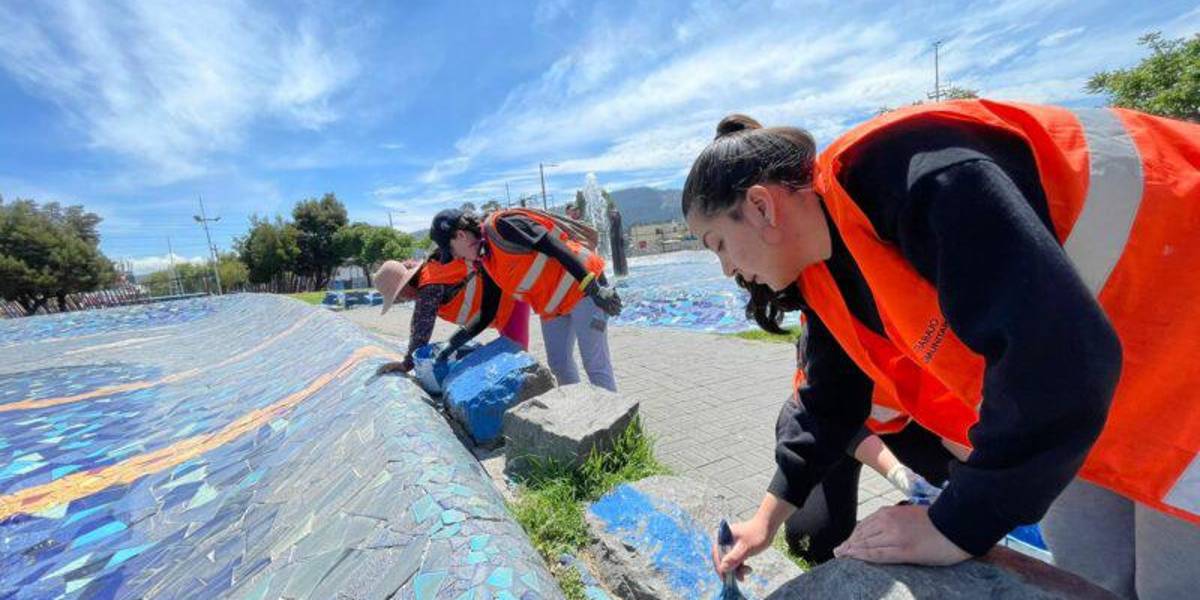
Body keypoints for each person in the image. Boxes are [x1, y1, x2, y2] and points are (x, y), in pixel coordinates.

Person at [685, 100, 1200, 599]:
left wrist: (953, 527)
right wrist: (763, 522)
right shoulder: (821, 274)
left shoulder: (916, 172)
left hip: (1180, 354)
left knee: (1173, 584)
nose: (727, 271)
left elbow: (1056, 361)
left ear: (759, 206)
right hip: (1097, 403)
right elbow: (830, 401)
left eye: (719, 245)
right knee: (1090, 575)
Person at [429, 207, 622, 391]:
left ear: (461, 236)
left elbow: (558, 248)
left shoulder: (502, 225)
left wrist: (597, 290)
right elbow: (488, 312)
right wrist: (451, 344)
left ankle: (618, 423)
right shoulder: (486, 261)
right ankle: (581, 415)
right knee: (559, 364)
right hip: (553, 308)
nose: (456, 258)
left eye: (452, 251)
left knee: (594, 364)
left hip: (585, 292)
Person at [373, 253, 530, 374]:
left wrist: (407, 364)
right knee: (512, 356)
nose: (403, 299)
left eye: (400, 294)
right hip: (498, 308)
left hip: (509, 301)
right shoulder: (431, 273)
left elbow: (421, 328)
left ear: (406, 283)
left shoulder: (430, 286)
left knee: (517, 358)